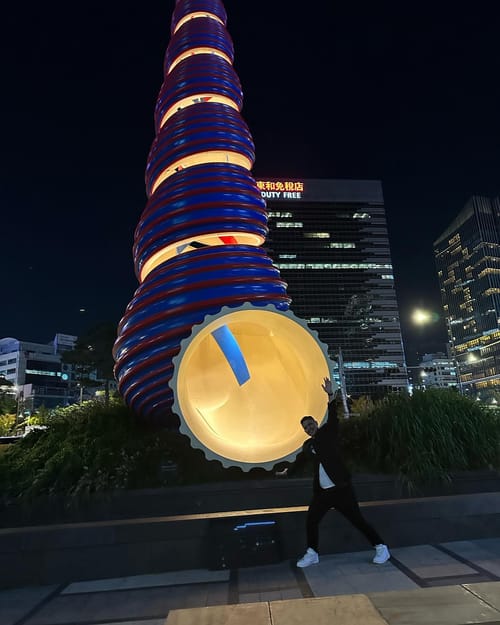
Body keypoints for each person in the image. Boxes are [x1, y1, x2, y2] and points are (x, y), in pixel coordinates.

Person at [277, 377, 390, 568]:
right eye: (306, 428)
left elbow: (333, 416)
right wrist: (287, 472)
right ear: (304, 431)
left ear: (315, 422)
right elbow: (300, 462)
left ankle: (381, 547)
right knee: (311, 520)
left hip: (341, 489)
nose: (309, 428)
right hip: (323, 493)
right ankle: (312, 553)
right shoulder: (308, 445)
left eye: (310, 424)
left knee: (357, 520)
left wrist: (330, 394)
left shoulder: (327, 433)